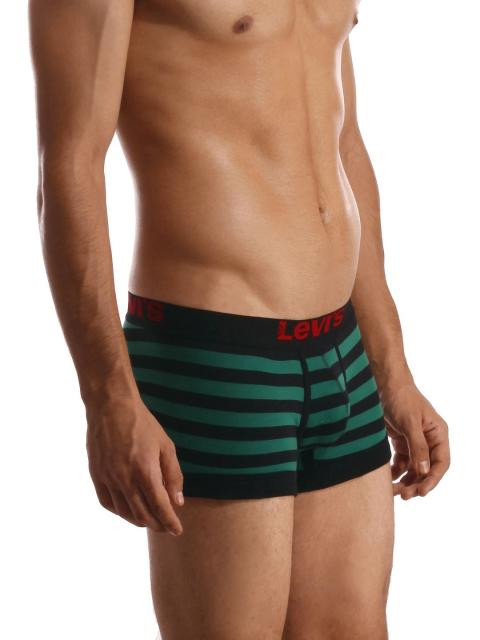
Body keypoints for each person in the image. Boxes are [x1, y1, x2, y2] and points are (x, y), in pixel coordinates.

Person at [29, 1, 450, 638]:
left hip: (342, 350)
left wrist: (393, 369)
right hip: (214, 352)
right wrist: (108, 398)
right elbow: (69, 167)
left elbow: (342, 140)